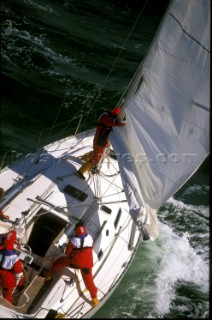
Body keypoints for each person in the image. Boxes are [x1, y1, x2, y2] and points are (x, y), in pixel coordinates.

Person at [43, 223, 100, 307]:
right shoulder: (90, 238)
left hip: (76, 263)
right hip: (88, 264)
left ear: (76, 231)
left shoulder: (73, 241)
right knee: (89, 281)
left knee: (61, 261)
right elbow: (91, 246)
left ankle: (49, 274)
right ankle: (94, 299)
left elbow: (67, 253)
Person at [76, 107, 125, 179]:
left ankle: (84, 158)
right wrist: (118, 123)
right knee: (96, 159)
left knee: (98, 154)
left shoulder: (110, 117)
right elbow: (107, 122)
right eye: (115, 117)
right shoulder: (105, 115)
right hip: (99, 141)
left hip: (102, 141)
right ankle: (80, 172)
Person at [0, 229, 24, 304]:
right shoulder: (15, 259)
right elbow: (19, 274)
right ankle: (6, 305)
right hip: (7, 279)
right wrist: (19, 285)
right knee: (7, 294)